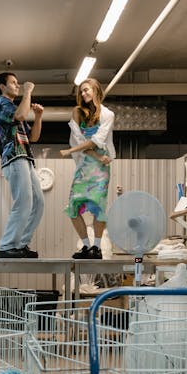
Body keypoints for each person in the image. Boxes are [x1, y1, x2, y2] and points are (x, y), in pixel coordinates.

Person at [60, 78, 115, 259]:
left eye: (86, 90)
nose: (83, 94)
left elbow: (97, 140)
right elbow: (79, 140)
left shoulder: (108, 114)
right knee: (73, 207)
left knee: (99, 207)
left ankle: (96, 248)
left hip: (100, 169)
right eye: (81, 91)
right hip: (85, 165)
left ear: (96, 90)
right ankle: (86, 246)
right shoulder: (77, 112)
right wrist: (96, 155)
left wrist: (71, 151)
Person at [0, 72, 45, 258]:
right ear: (2, 87)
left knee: (38, 203)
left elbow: (33, 137)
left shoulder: (13, 108)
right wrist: (28, 92)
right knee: (23, 201)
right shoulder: (1, 104)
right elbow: (21, 115)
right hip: (14, 158)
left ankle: (21, 244)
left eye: (18, 83)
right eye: (13, 83)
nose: (18, 85)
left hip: (26, 158)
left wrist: (38, 116)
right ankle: (7, 245)